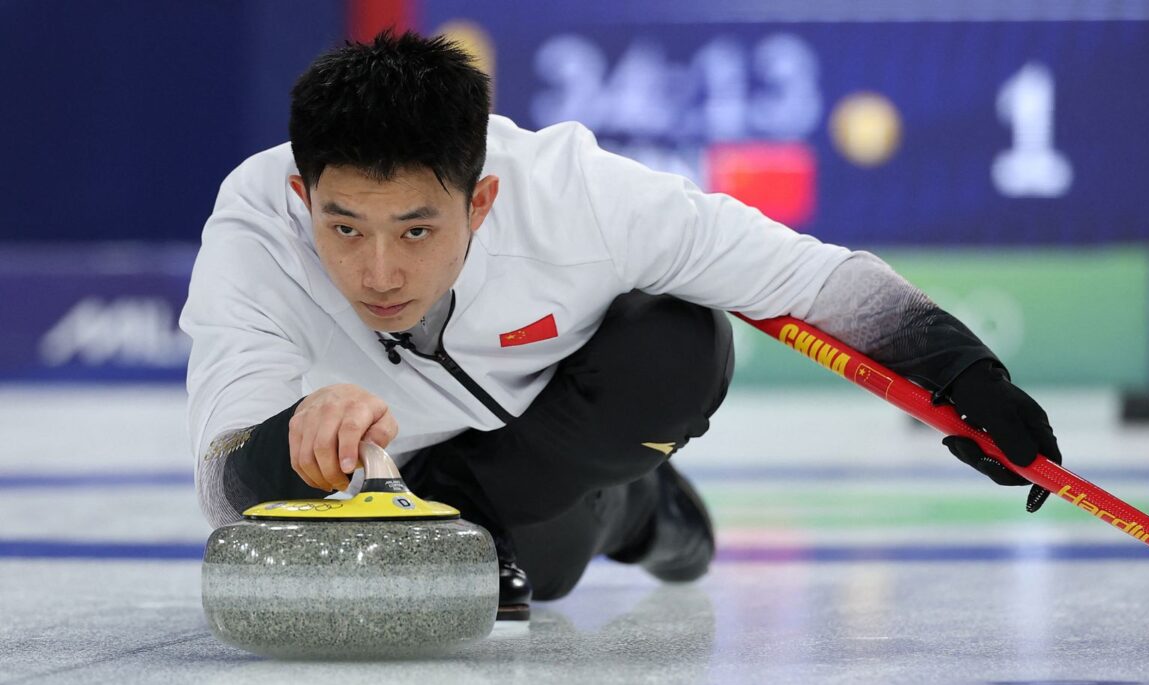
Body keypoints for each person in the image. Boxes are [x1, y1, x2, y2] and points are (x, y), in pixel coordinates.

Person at [181, 31, 1060, 622]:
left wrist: (962, 373)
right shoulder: (256, 229)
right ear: (303, 199)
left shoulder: (575, 194)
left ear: (481, 200)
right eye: (344, 229)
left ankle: (636, 498)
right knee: (551, 557)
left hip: (551, 436)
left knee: (683, 335)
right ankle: (626, 511)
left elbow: (804, 276)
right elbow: (225, 489)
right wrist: (290, 444)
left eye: (416, 230)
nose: (378, 275)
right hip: (408, 489)